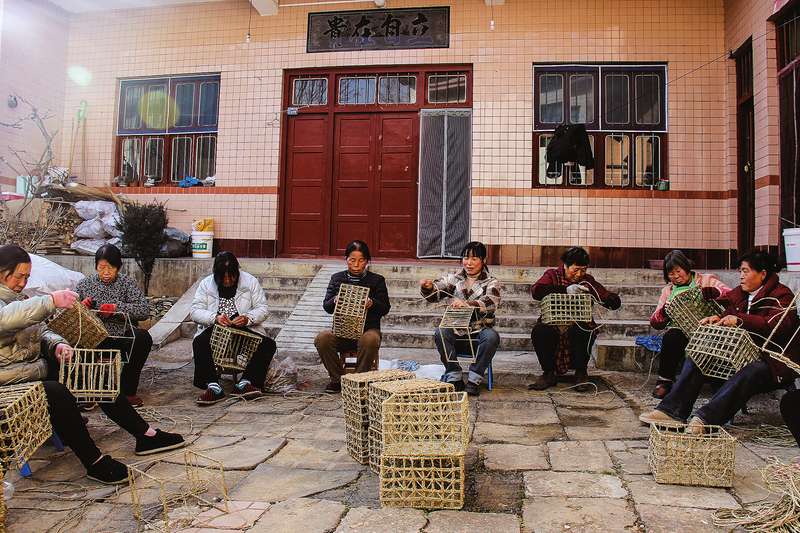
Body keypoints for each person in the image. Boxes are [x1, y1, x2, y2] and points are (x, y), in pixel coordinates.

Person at [0, 244, 184, 484]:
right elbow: (7, 319)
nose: (23, 282)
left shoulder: (22, 298)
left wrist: (57, 346)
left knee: (91, 370)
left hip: (40, 367)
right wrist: (51, 301)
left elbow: (42, 331)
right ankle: (94, 461)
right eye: (18, 276)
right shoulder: (26, 302)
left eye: (26, 277)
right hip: (9, 381)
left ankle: (145, 435)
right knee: (57, 392)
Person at [640, 250, 800, 432]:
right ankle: (672, 412)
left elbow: (779, 326)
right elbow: (728, 312)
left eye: (746, 271)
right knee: (700, 353)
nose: (741, 276)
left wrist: (739, 320)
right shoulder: (741, 294)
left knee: (752, 370)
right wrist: (718, 319)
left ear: (762, 274)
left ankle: (706, 420)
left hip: (772, 362)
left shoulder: (782, 295)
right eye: (740, 271)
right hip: (740, 355)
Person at [529, 247, 621, 392]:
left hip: (577, 325)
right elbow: (536, 290)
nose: (579, 274)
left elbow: (609, 297)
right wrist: (565, 290)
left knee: (583, 328)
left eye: (583, 270)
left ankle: (581, 373)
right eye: (576, 269)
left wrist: (610, 301)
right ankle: (548, 373)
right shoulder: (552, 275)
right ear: (565, 265)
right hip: (555, 323)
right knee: (540, 330)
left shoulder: (587, 281)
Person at [190, 251, 277, 405]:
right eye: (223, 278)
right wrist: (214, 318)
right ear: (217, 275)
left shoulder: (250, 282)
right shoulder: (206, 284)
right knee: (199, 341)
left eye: (232, 277)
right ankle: (213, 387)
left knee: (268, 344)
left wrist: (247, 318)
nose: (228, 281)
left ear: (237, 272)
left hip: (243, 329)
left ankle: (245, 383)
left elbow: (263, 309)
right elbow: (195, 311)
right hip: (216, 330)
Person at [420, 241, 501, 397]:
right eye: (466, 258)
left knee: (492, 336)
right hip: (456, 336)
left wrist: (468, 304)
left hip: (479, 336)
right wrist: (428, 288)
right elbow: (437, 290)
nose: (469, 263)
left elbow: (490, 303)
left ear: (484, 260)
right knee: (441, 332)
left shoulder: (491, 282)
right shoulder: (453, 279)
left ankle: (474, 380)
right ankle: (454, 376)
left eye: (474, 259)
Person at [75, 244, 152, 407]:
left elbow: (144, 311)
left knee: (143, 338)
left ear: (119, 267)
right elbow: (70, 312)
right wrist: (82, 307)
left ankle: (127, 392)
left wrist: (117, 308)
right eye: (101, 267)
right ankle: (91, 391)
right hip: (95, 336)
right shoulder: (84, 284)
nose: (106, 272)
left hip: (121, 335)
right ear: (95, 266)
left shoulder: (127, 283)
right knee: (79, 340)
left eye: (111, 268)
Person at [648, 250, 730, 399]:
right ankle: (665, 381)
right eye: (671, 274)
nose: (676, 276)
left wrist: (715, 293)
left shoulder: (707, 279)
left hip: (707, 327)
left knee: (715, 339)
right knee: (671, 337)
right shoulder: (668, 291)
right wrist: (664, 312)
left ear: (686, 268)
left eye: (678, 271)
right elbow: (655, 322)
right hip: (682, 330)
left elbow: (732, 296)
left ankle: (718, 381)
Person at [315, 240, 391, 393]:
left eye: (361, 260)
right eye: (352, 260)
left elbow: (385, 308)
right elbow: (327, 307)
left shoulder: (377, 280)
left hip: (368, 331)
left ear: (367, 261)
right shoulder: (336, 279)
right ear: (346, 260)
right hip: (342, 333)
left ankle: (357, 381)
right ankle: (337, 380)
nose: (356, 265)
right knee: (322, 338)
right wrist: (335, 300)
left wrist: (372, 303)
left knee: (369, 340)